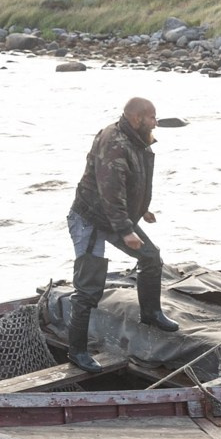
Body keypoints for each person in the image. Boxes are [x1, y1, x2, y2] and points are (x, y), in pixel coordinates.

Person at [66, 97, 177, 370]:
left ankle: (151, 313)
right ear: (136, 118)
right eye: (151, 118)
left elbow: (132, 180)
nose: (156, 123)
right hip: (91, 218)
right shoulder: (114, 143)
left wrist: (143, 208)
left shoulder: (136, 138)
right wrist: (126, 231)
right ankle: (77, 352)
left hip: (116, 215)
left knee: (151, 257)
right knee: (88, 288)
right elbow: (110, 191)